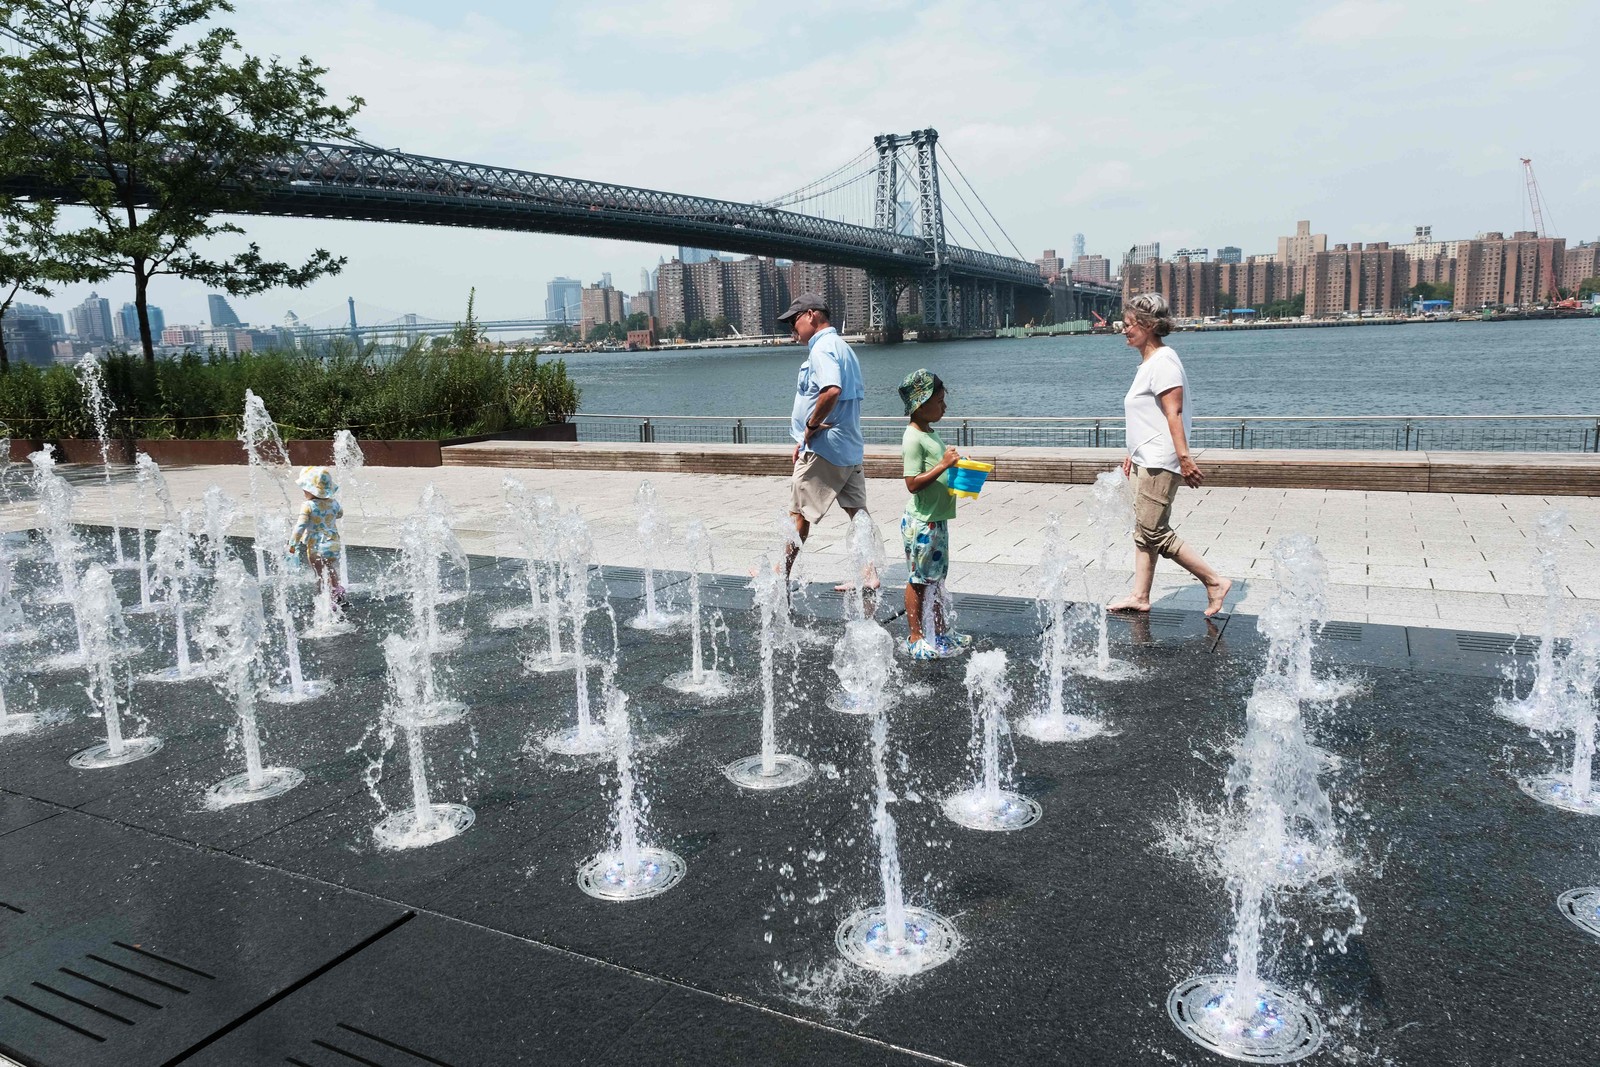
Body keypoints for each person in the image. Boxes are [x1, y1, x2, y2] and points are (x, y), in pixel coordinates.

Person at [1108, 293, 1232, 617]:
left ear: (1148, 326)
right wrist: (1131, 452)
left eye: (1130, 325)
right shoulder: (1149, 363)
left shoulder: (1164, 362)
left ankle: (1214, 581)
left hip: (1160, 461)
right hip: (1144, 458)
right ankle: (1140, 595)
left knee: (1154, 531)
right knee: (1143, 529)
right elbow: (1145, 416)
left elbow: (1172, 413)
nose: (1124, 330)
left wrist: (1185, 458)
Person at [778, 292, 875, 591]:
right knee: (858, 514)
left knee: (798, 513)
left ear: (811, 315)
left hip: (825, 447)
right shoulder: (843, 348)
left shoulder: (821, 349)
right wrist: (803, 438)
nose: (792, 330)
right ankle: (869, 573)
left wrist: (810, 428)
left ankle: (780, 574)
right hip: (847, 445)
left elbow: (831, 391)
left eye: (794, 322)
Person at [898, 368, 970, 659]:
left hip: (937, 520)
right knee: (918, 580)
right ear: (921, 403)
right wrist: (942, 465)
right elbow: (912, 483)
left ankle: (940, 632)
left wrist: (956, 469)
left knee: (937, 580)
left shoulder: (930, 432)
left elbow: (939, 468)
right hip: (922, 523)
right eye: (939, 401)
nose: (944, 407)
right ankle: (915, 636)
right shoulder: (912, 438)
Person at [287, 465, 344, 598]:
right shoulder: (334, 503)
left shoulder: (308, 506)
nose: (303, 491)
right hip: (333, 543)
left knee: (320, 573)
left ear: (312, 490)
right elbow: (340, 514)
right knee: (329, 567)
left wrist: (293, 543)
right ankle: (337, 588)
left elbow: (300, 526)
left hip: (317, 545)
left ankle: (326, 597)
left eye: (305, 488)